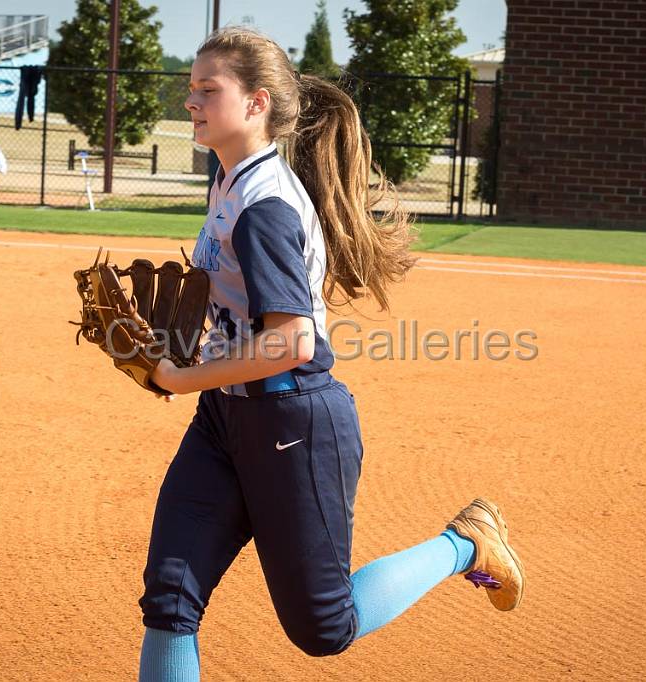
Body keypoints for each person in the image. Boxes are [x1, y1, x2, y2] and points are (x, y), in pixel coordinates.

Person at [135, 27, 526, 681]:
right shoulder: (232, 182)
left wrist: (180, 376)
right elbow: (233, 305)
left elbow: (291, 341)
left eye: (208, 90)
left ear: (257, 103)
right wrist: (169, 344)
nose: (191, 102)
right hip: (226, 421)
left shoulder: (263, 205)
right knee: (170, 598)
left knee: (324, 628)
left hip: (291, 425)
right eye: (191, 89)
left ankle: (466, 543)